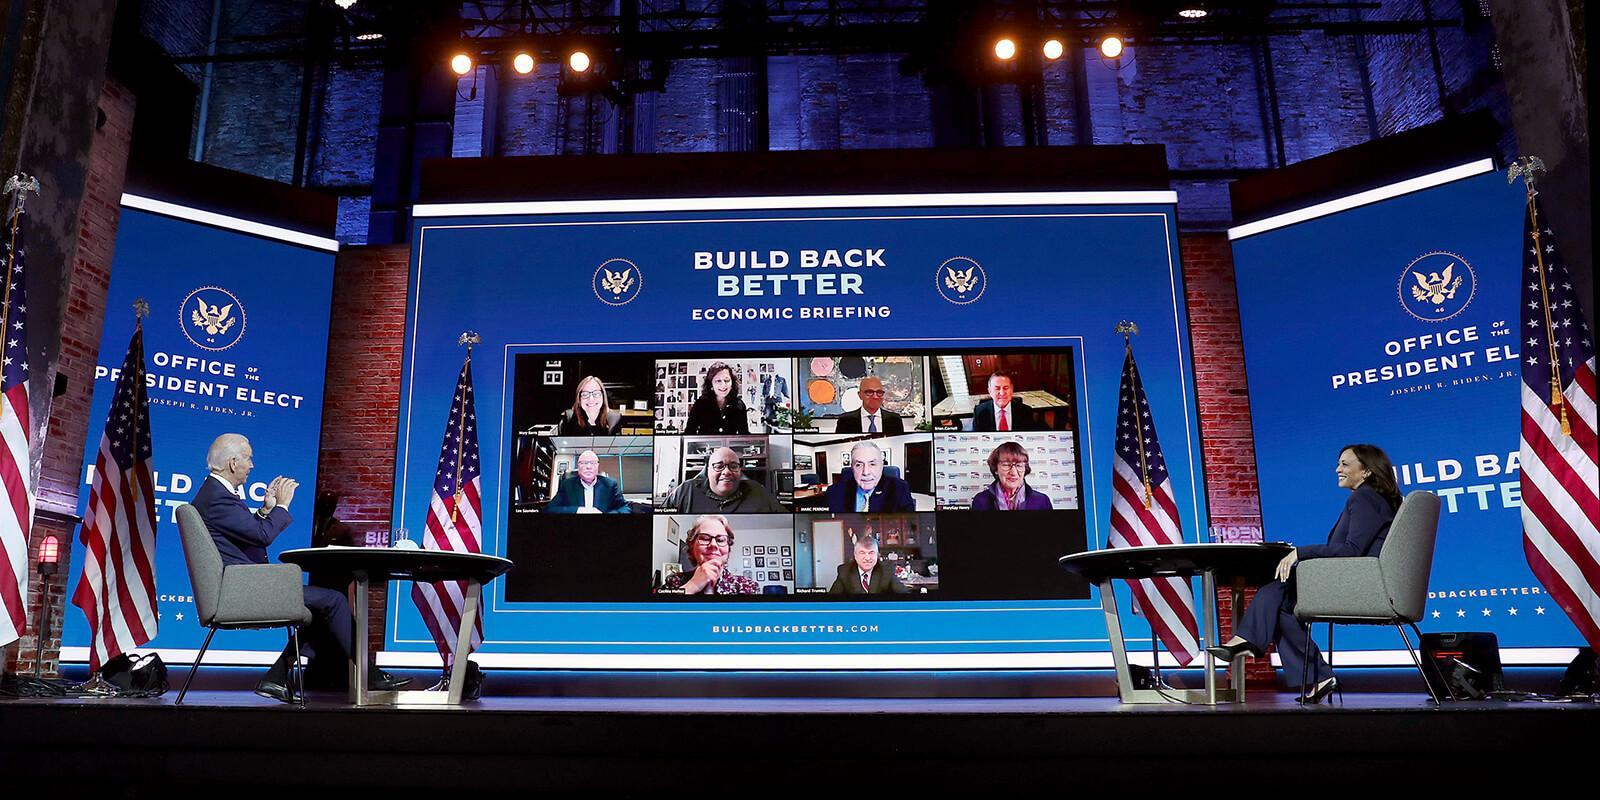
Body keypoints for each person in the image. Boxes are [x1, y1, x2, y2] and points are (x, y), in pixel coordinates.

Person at [190, 434, 408, 702]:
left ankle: (276, 678)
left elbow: (246, 534)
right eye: (248, 458)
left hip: (242, 583)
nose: (252, 465)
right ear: (233, 463)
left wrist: (264, 511)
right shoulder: (217, 497)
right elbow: (261, 537)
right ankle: (369, 674)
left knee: (319, 607)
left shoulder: (215, 494)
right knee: (334, 600)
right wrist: (282, 505)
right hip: (240, 589)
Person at [1206, 444, 1403, 703]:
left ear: (1365, 471)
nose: (1337, 469)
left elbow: (1350, 550)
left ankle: (1247, 640)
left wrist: (1300, 553)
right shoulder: (1376, 499)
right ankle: (1318, 675)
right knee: (1283, 604)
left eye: (1345, 464)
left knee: (1278, 587)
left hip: (1362, 586)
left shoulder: (1364, 497)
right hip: (1362, 581)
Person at [658, 514, 761, 594]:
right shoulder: (674, 580)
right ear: (692, 545)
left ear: (728, 548)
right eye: (704, 538)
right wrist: (692, 586)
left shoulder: (747, 586)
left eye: (720, 540)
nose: (713, 544)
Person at [663, 446, 784, 512]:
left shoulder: (758, 491)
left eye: (733, 466)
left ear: (740, 470)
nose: (726, 472)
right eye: (719, 466)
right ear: (708, 470)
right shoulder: (685, 491)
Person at [825, 440, 916, 512]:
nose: (866, 472)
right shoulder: (834, 492)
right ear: (852, 468)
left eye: (872, 464)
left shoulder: (900, 489)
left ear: (882, 466)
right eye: (858, 465)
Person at [970, 441, 1053, 510]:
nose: (1013, 472)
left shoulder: (1042, 501)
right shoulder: (980, 500)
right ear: (995, 469)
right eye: (1006, 465)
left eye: (1019, 465)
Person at [547, 449, 631, 513]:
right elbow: (550, 509)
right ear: (578, 466)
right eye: (584, 463)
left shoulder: (610, 485)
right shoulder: (567, 485)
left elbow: (625, 508)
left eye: (593, 463)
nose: (589, 466)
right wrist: (578, 510)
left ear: (597, 466)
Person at [684, 362, 750, 435]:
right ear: (711, 384)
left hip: (730, 446)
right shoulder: (700, 404)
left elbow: (744, 435)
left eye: (727, 380)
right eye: (718, 381)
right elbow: (689, 433)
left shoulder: (739, 405)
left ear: (732, 383)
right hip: (707, 446)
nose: (723, 385)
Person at [827, 535, 908, 595]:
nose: (867, 558)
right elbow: (832, 601)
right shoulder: (844, 571)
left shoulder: (887, 570)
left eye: (871, 553)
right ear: (855, 555)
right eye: (862, 553)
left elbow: (904, 596)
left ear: (877, 555)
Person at [834, 375, 904, 433]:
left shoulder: (895, 420)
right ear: (860, 395)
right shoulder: (845, 421)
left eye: (879, 392)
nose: (875, 396)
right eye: (869, 392)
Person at [972, 371, 1036, 432]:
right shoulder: (979, 412)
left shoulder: (1025, 411)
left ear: (1011, 390)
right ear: (990, 391)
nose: (1002, 393)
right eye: (997, 388)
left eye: (1006, 388)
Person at [558, 376, 623, 435]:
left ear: (603, 397)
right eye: (585, 394)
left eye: (596, 394)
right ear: (579, 399)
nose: (591, 399)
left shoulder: (614, 419)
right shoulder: (569, 418)